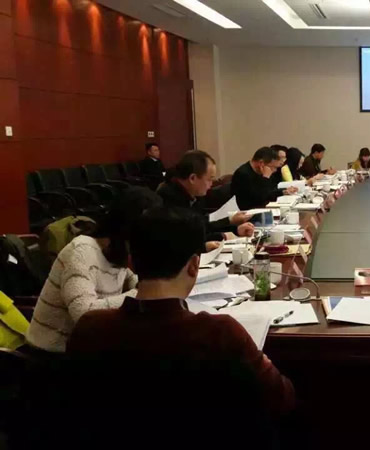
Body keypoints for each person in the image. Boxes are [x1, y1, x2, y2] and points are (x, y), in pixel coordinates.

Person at [67, 207, 296, 417]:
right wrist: (263, 361)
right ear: (194, 265)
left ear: (131, 264)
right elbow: (282, 398)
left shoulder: (90, 328)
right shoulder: (221, 333)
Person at [25, 187, 162, 353]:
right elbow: (84, 314)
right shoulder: (82, 251)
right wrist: (141, 293)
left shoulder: (117, 252)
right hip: (53, 352)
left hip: (89, 345)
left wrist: (151, 286)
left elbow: (134, 280)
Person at [158, 150, 254, 244]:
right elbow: (188, 237)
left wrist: (235, 230)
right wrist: (222, 236)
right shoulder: (168, 199)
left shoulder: (191, 195)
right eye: (209, 179)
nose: (211, 184)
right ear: (192, 178)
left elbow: (202, 223)